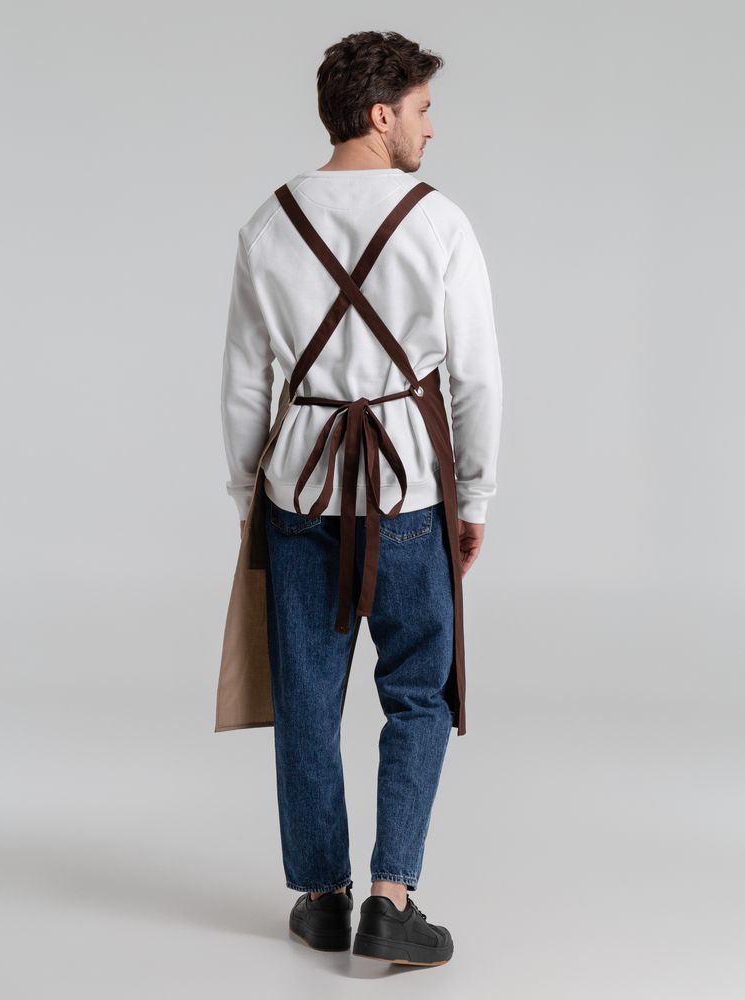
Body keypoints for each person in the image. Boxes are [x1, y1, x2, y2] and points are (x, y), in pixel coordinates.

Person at [220, 30, 503, 966]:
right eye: (422, 109)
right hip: (409, 490)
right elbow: (476, 379)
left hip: (298, 490)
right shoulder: (439, 222)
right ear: (381, 116)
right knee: (418, 691)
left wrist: (249, 496)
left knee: (306, 695)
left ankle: (321, 897)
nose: (431, 127)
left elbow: (245, 385)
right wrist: (475, 496)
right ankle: (392, 896)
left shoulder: (269, 224)